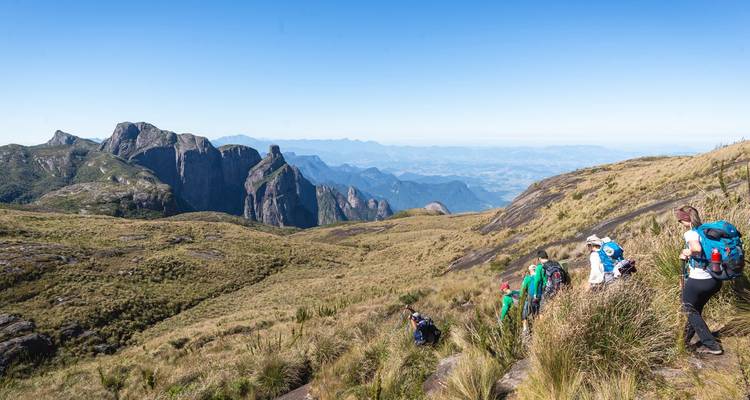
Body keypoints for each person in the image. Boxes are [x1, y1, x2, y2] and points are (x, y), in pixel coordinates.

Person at [675, 206, 723, 355]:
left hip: (699, 280)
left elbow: (696, 248)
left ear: (685, 219)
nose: (680, 223)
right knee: (695, 308)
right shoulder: (706, 231)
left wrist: (686, 252)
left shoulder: (690, 233)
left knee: (688, 308)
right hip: (715, 279)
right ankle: (684, 340)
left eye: (680, 220)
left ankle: (711, 345)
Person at [519, 264, 541, 334]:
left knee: (525, 312)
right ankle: (539, 328)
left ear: (530, 270)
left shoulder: (528, 278)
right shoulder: (539, 277)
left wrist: (521, 297)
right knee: (538, 313)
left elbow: (522, 290)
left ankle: (525, 329)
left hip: (531, 297)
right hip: (540, 296)